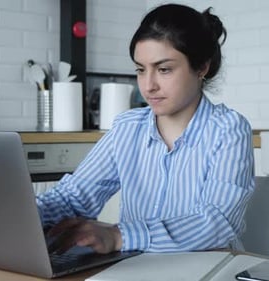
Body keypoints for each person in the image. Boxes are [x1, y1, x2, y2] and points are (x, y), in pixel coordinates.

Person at [36, 3, 255, 254]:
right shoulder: (127, 128)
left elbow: (218, 222)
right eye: (141, 70)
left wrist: (118, 236)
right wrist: (20, 214)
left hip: (207, 269)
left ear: (201, 67)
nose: (148, 85)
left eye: (164, 69)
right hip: (135, 269)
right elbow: (73, 198)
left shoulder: (229, 129)